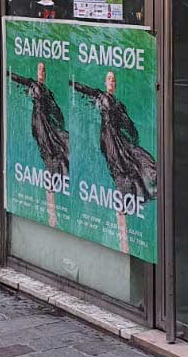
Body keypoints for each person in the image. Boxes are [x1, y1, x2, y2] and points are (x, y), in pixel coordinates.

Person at [72, 70, 159, 253]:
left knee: (142, 166)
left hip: (120, 142)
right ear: (105, 82)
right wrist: (72, 83)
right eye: (109, 79)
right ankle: (123, 240)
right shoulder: (100, 96)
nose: (112, 82)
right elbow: (84, 90)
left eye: (114, 80)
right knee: (122, 179)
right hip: (109, 142)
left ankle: (124, 237)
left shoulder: (119, 105)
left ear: (116, 84)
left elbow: (131, 127)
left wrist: (134, 138)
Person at [9, 60, 68, 229]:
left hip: (48, 126)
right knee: (50, 159)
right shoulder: (32, 84)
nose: (42, 72)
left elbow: (56, 110)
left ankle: (53, 211)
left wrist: (60, 124)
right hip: (40, 125)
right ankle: (52, 215)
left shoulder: (48, 92)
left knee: (57, 158)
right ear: (36, 72)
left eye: (44, 70)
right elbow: (18, 79)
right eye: (39, 69)